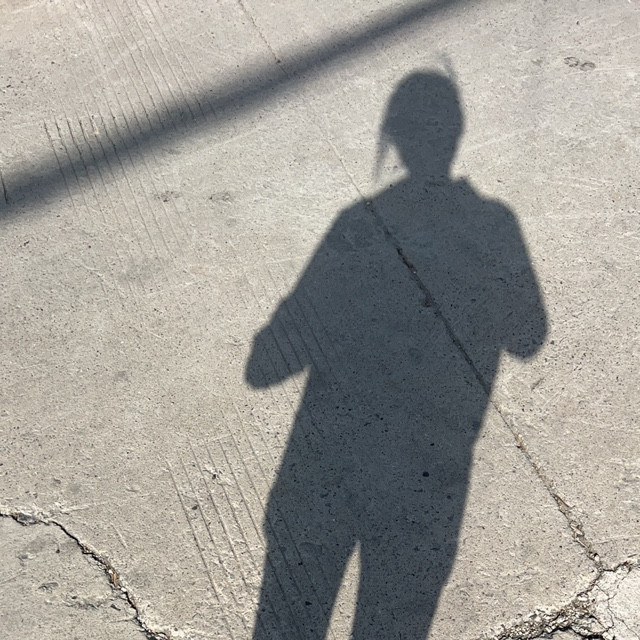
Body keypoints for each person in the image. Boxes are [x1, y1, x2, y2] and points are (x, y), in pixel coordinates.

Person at [246, 71, 547, 640]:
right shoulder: (494, 226)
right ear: (455, 134)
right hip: (430, 480)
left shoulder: (358, 227)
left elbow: (264, 367)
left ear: (395, 140)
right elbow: (528, 336)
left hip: (327, 474)